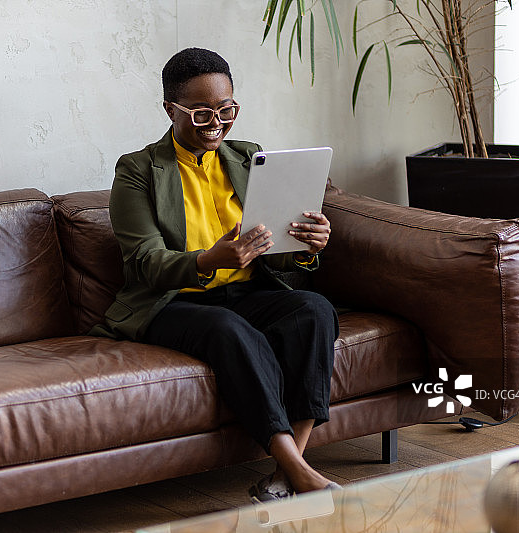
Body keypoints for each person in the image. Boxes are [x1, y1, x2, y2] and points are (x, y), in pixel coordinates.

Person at [92, 47, 339, 501]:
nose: (217, 124)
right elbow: (145, 263)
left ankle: (290, 471)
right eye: (202, 113)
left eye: (227, 110)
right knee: (229, 328)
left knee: (314, 311)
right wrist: (210, 259)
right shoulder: (138, 170)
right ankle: (297, 472)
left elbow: (273, 249)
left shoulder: (250, 158)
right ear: (171, 109)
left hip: (246, 291)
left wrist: (306, 246)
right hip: (172, 301)